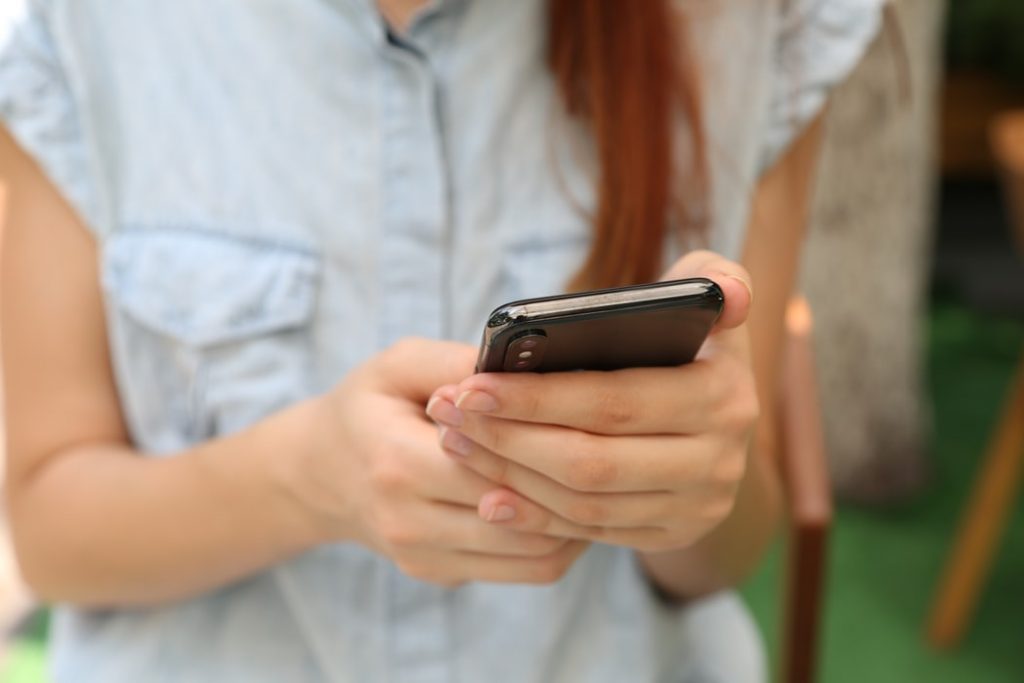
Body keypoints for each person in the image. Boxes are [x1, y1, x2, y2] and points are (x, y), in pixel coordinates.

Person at [0, 1, 882, 681]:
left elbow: (729, 548)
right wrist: (305, 480)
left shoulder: (752, 22)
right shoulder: (81, 30)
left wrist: (692, 486)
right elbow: (51, 534)